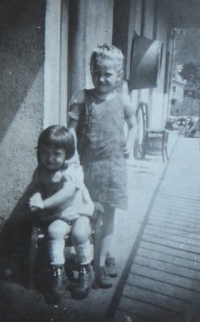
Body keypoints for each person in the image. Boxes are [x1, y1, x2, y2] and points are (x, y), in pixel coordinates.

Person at [68, 44, 137, 288]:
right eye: (96, 72)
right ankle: (91, 259)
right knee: (88, 216)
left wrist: (129, 142)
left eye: (107, 74)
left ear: (118, 76)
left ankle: (101, 262)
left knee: (108, 217)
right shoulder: (82, 97)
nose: (101, 78)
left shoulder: (122, 100)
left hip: (113, 169)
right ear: (91, 71)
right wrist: (72, 155)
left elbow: (133, 125)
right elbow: (71, 131)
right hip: (88, 168)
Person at [29, 125, 95, 302]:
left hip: (78, 211)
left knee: (79, 233)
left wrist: (43, 204)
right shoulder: (41, 171)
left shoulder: (71, 171)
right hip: (60, 215)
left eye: (56, 154)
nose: (49, 158)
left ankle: (85, 270)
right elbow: (39, 188)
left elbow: (66, 193)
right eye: (45, 153)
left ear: (67, 154)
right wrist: (36, 198)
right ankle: (58, 273)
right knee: (54, 232)